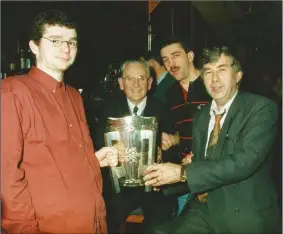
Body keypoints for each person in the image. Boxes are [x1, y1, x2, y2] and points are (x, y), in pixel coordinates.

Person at [1, 10, 119, 233]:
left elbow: (54, 160)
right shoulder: (12, 93)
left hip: (93, 220)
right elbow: (5, 176)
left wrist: (93, 160)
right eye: (55, 40)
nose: (66, 48)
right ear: (34, 46)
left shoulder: (74, 96)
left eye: (71, 42)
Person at [143, 46, 280, 233]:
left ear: (238, 74)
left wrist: (182, 172)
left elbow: (244, 162)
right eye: (208, 72)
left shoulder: (261, 108)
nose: (214, 79)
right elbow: (202, 166)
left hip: (245, 212)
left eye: (222, 70)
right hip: (207, 209)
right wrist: (162, 181)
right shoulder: (202, 116)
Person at [95, 59, 176, 233]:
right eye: (130, 79)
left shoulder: (163, 110)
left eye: (141, 78)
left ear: (149, 82)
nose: (136, 84)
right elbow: (97, 143)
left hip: (154, 186)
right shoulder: (107, 109)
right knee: (102, 222)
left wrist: (164, 150)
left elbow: (174, 151)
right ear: (121, 83)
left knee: (159, 225)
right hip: (118, 187)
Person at [159, 36, 211, 214]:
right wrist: (172, 140)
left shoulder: (211, 85)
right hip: (185, 178)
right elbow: (182, 133)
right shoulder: (170, 94)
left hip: (213, 175)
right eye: (165, 59)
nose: (170, 63)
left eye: (175, 55)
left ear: (190, 56)